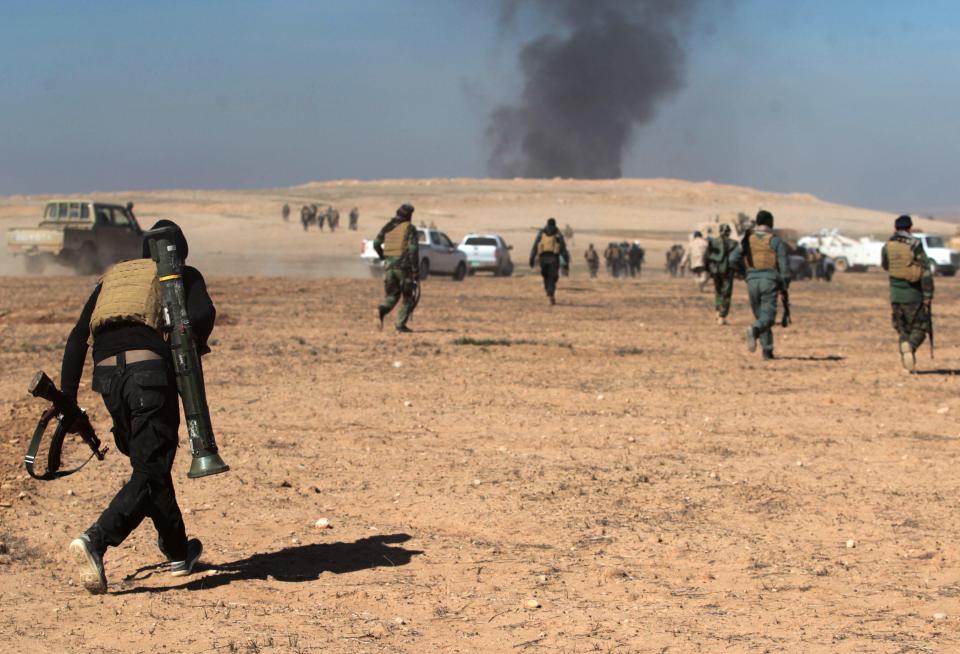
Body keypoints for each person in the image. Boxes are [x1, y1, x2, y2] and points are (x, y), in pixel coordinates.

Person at [62, 220, 214, 594]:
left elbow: (79, 335)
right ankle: (96, 540)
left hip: (108, 378)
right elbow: (200, 317)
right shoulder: (178, 274)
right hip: (148, 375)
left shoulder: (114, 279)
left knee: (150, 463)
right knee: (151, 466)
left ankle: (178, 550)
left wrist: (68, 400)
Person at [730, 210, 789, 360]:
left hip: (752, 282)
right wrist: (784, 286)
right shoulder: (776, 241)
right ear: (771, 223)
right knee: (767, 318)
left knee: (760, 316)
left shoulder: (748, 239)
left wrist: (745, 274)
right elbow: (785, 269)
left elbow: (732, 259)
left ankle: (767, 351)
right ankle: (754, 330)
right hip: (769, 282)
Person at [881, 214, 934, 371]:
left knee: (902, 329)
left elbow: (885, 265)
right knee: (920, 327)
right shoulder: (915, 244)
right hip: (913, 293)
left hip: (895, 294)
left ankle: (907, 362)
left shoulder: (888, 245)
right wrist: (928, 295)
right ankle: (910, 347)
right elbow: (925, 270)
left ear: (895, 228)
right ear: (910, 228)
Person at [374, 204, 419, 332]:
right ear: (409, 216)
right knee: (409, 297)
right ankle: (400, 324)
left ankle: (381, 310)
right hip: (403, 267)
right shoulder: (410, 228)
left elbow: (376, 243)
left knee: (392, 295)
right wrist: (415, 270)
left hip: (389, 267)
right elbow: (413, 249)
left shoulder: (388, 227)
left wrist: (384, 257)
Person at [529, 217, 570, 305]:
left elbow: (535, 246)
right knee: (553, 277)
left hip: (543, 257)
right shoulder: (558, 233)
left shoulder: (541, 233)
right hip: (554, 258)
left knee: (546, 276)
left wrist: (531, 259)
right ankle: (551, 293)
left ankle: (548, 291)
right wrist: (566, 262)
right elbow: (563, 249)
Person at [707, 224, 741, 325]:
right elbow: (736, 259)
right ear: (729, 232)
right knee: (726, 294)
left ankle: (717, 311)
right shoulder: (734, 244)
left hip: (715, 271)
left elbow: (708, 257)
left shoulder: (713, 242)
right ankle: (722, 316)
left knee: (718, 292)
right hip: (727, 272)